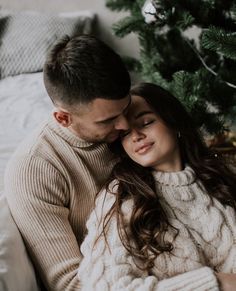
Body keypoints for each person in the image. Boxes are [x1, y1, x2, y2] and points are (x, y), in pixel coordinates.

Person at [78, 82, 236, 290]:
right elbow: (104, 286)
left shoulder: (224, 173)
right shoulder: (120, 197)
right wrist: (214, 284)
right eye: (125, 133)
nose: (136, 136)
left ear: (174, 122)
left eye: (145, 122)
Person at [4, 34, 131, 290]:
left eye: (125, 109)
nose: (126, 125)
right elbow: (70, 284)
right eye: (107, 120)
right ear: (63, 118)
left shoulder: (140, 115)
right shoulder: (35, 169)